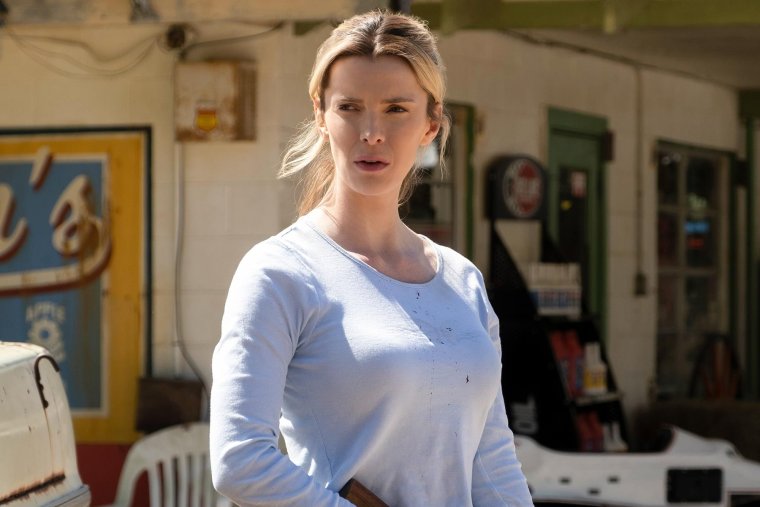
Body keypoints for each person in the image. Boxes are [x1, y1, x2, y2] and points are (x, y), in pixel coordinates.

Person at [210, 9, 534, 507]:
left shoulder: (462, 279)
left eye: (396, 109)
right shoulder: (281, 273)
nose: (372, 132)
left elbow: (491, 460)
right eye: (350, 107)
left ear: (431, 123)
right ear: (321, 115)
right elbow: (240, 461)